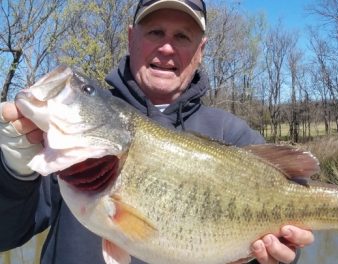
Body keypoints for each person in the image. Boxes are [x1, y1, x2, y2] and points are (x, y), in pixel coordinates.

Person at [0, 0, 314, 263]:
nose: (166, 48)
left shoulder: (233, 135)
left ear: (200, 49)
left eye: (182, 36)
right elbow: (6, 234)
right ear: (130, 38)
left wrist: (282, 256)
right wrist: (14, 173)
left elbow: (284, 237)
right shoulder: (61, 143)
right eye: (155, 32)